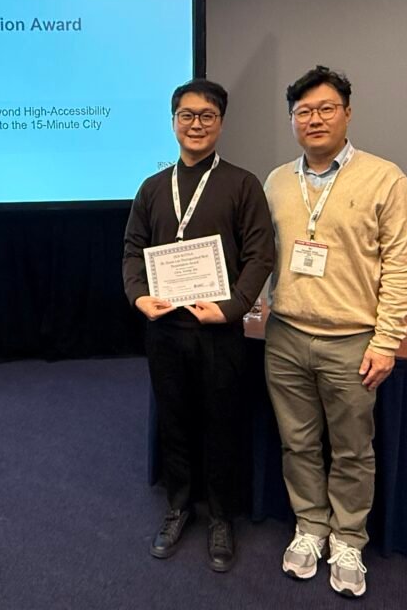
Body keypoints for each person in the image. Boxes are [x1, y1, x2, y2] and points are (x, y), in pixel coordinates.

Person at [264, 65, 407, 597]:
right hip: (285, 336)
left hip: (352, 341)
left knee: (353, 449)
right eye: (303, 111)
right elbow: (263, 253)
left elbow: (402, 265)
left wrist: (386, 341)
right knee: (297, 443)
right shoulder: (277, 182)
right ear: (292, 120)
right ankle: (310, 527)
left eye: (326, 108)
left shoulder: (385, 178)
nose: (314, 119)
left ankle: (349, 538)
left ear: (347, 114)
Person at [123, 78, 275, 572]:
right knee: (175, 420)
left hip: (218, 331)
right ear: (173, 122)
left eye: (207, 116)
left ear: (221, 124)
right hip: (165, 329)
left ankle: (221, 516)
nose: (196, 124)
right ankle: (178, 506)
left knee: (221, 423)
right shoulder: (152, 187)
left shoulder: (242, 184)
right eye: (187, 115)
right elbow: (132, 251)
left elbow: (260, 255)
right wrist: (138, 295)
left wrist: (232, 308)